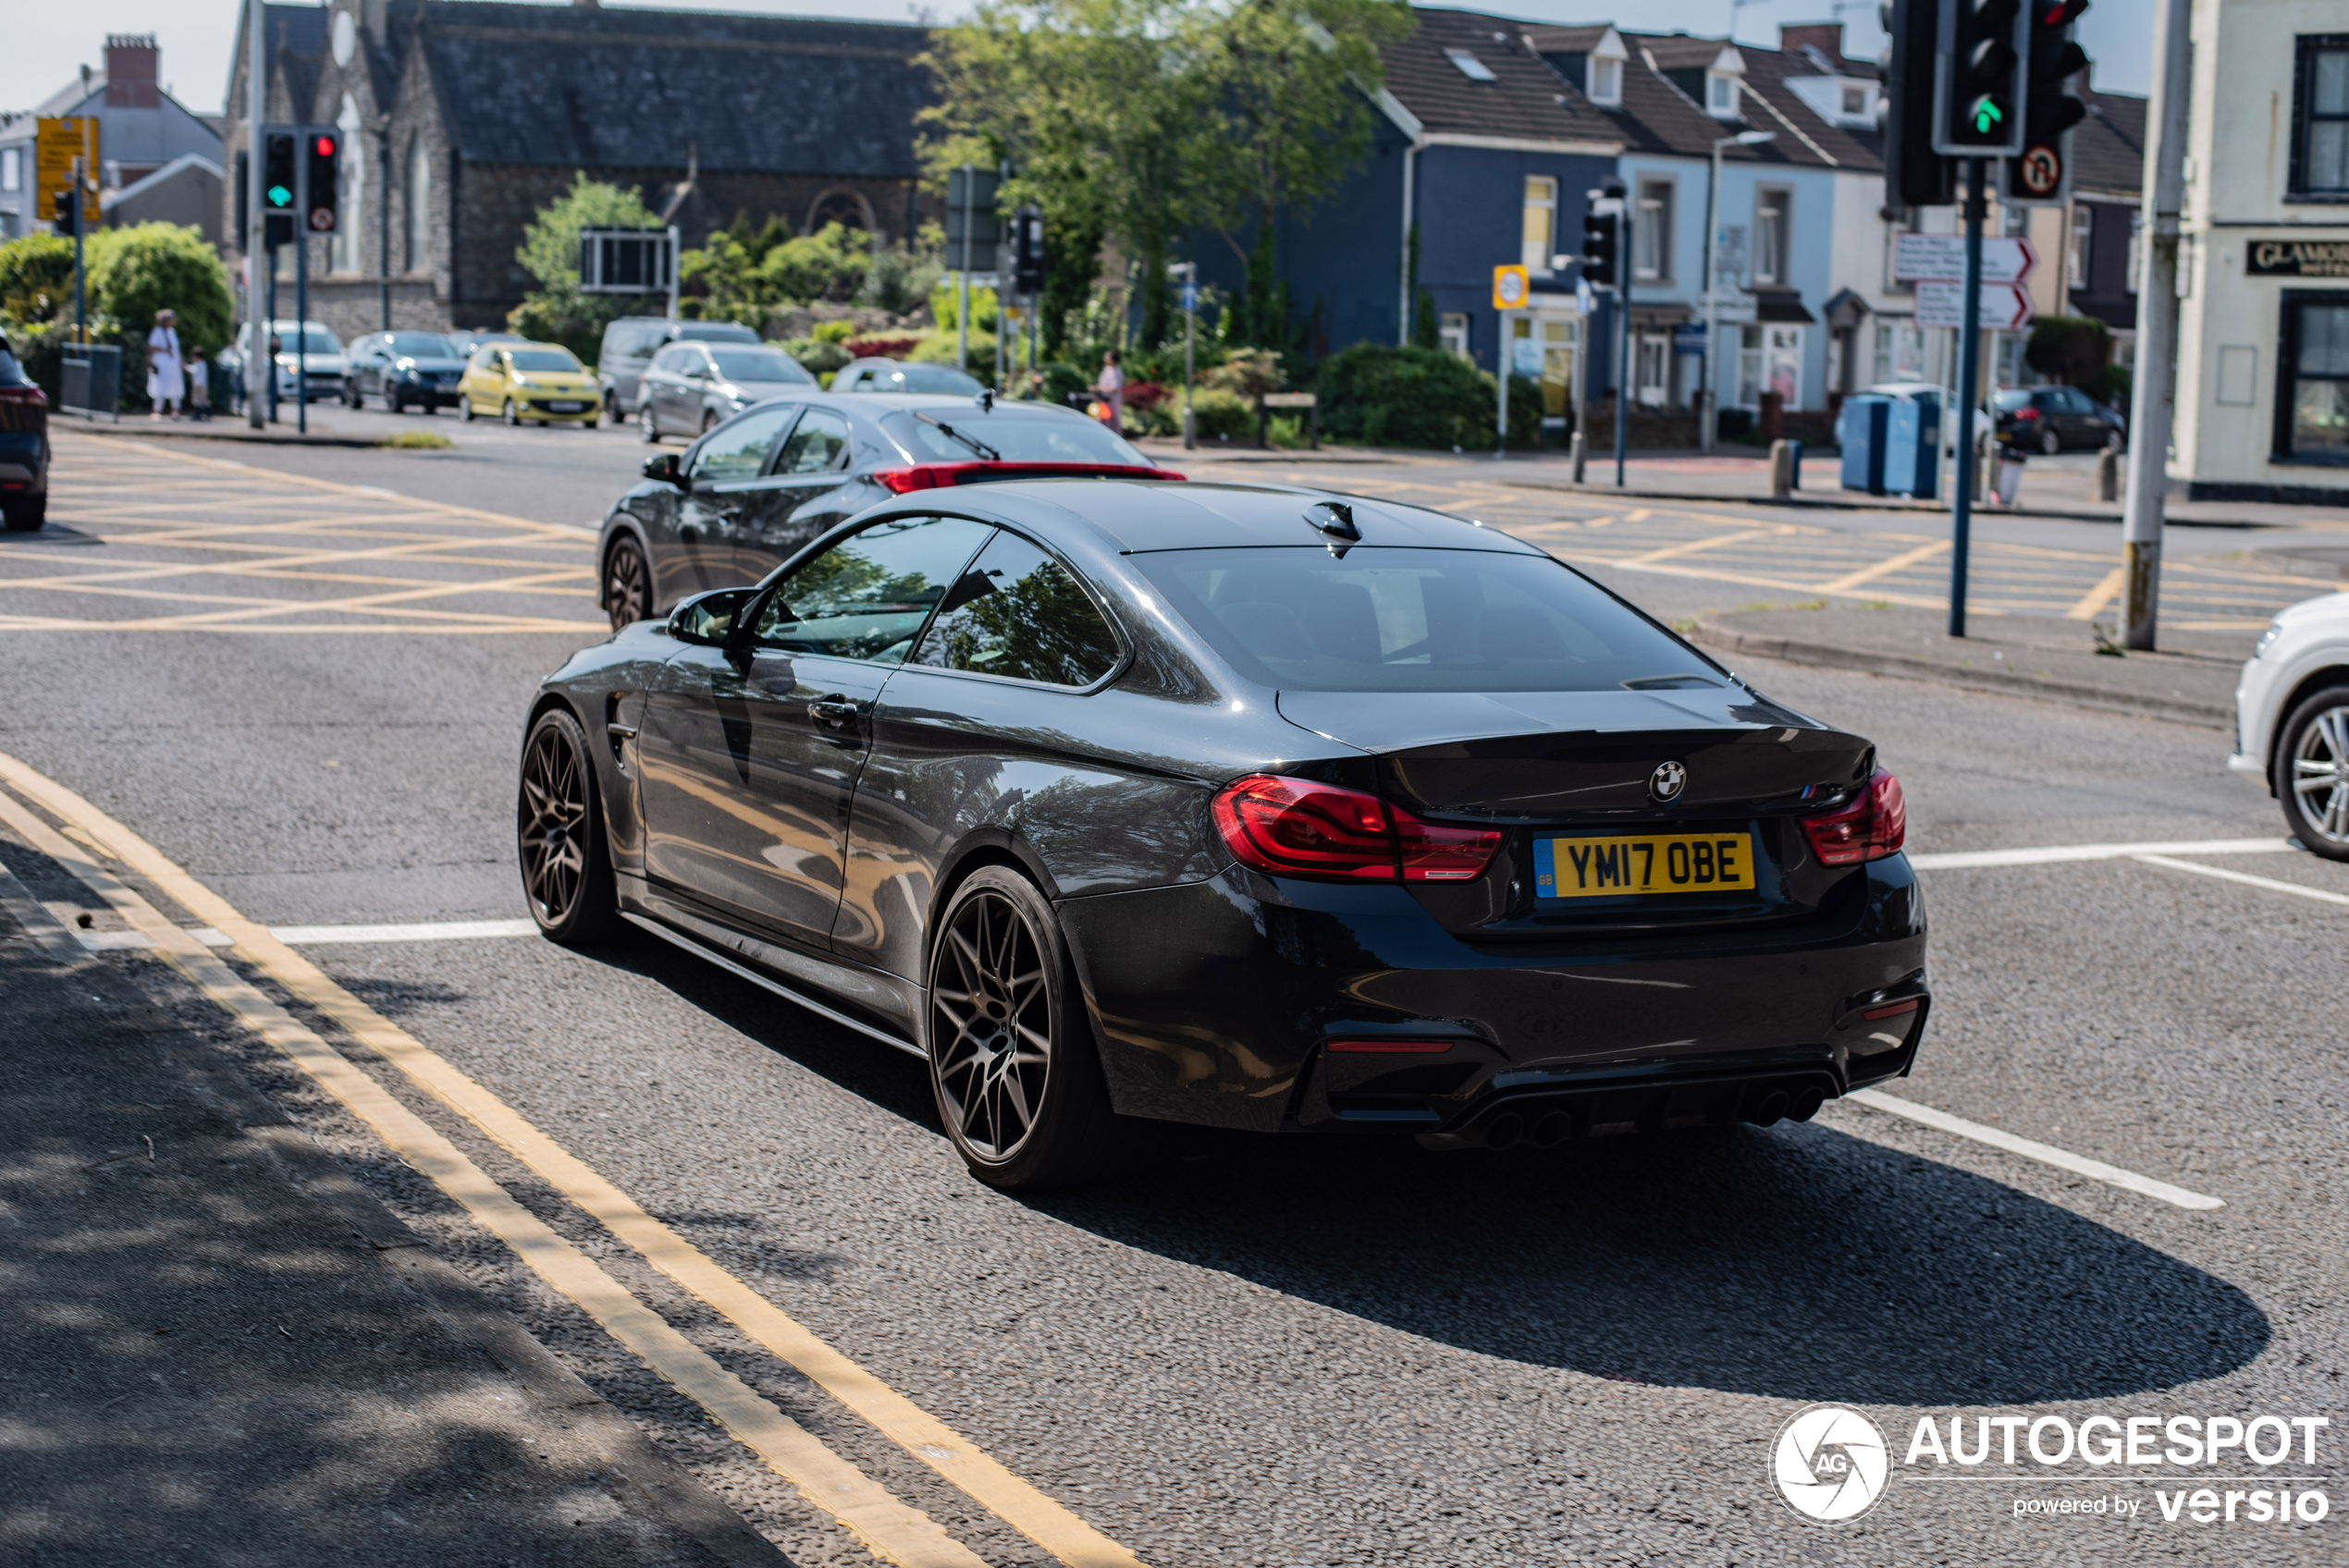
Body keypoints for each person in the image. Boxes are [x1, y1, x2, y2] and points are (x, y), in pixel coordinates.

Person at [146, 309, 186, 419]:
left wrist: (181, 361)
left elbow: (176, 349)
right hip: (162, 364)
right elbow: (152, 346)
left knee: (175, 387)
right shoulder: (158, 331)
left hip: (173, 365)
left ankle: (175, 410)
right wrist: (165, 351)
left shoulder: (172, 332)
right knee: (160, 386)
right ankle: (157, 411)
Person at [1092, 348, 1125, 434]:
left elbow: (1114, 388)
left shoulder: (1116, 371)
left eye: (1107, 357)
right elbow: (1101, 383)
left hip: (1111, 401)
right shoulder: (1107, 369)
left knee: (1112, 422)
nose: (1105, 358)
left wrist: (1100, 388)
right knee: (1100, 419)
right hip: (1103, 400)